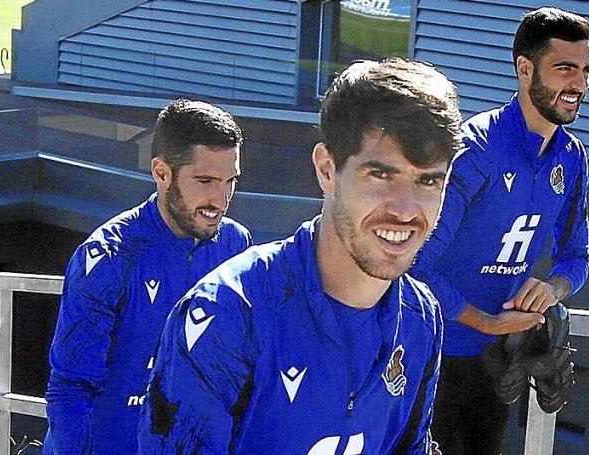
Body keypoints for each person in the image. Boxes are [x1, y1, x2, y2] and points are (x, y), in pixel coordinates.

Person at [137, 57, 461, 454]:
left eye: (428, 180)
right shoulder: (229, 314)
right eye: (381, 174)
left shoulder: (421, 317)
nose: (407, 210)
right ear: (327, 169)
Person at [410, 7, 589, 454]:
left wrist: (552, 288)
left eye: (586, 71)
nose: (579, 85)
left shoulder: (572, 158)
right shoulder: (474, 149)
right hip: (429, 357)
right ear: (524, 69)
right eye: (564, 69)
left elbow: (577, 258)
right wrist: (486, 321)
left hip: (497, 365)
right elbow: (417, 265)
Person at [43, 99, 253, 455]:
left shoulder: (237, 244)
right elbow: (71, 389)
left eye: (230, 181)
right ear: (162, 173)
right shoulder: (109, 258)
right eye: (205, 181)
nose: (220, 199)